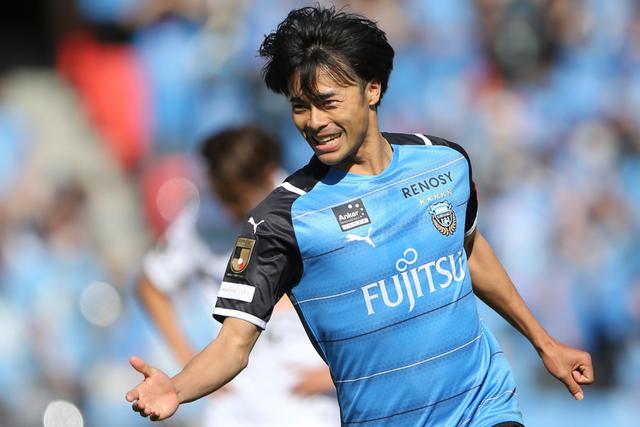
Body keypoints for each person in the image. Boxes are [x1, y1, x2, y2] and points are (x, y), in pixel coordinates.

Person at [126, 6, 594, 426]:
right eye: (300, 107)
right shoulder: (280, 220)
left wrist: (544, 342)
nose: (314, 121)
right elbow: (233, 344)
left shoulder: (444, 163)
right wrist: (177, 388)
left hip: (483, 407)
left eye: (327, 102)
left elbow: (468, 250)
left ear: (373, 89)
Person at [137, 125, 338, 426]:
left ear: (268, 174)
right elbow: (150, 284)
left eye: (236, 198)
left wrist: (334, 374)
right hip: (234, 404)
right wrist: (188, 359)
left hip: (306, 403)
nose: (229, 210)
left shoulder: (313, 208)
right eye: (222, 197)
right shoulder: (204, 217)